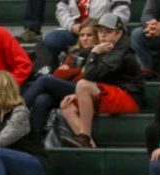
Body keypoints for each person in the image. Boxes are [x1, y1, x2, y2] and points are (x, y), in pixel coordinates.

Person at [60, 13, 144, 149]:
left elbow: (88, 76)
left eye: (108, 32)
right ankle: (89, 146)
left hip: (130, 98)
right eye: (100, 31)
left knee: (82, 85)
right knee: (67, 106)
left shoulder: (121, 51)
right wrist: (78, 96)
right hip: (112, 94)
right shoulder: (107, 47)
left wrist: (94, 52)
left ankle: (84, 137)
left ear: (118, 33)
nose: (103, 35)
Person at [24, 19, 100, 134]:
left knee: (45, 80)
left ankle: (15, 110)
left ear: (97, 36)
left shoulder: (98, 53)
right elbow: (58, 74)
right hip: (67, 88)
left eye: (89, 35)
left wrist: (70, 71)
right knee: (42, 100)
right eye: (82, 35)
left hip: (83, 91)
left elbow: (86, 76)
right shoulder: (74, 52)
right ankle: (36, 136)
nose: (84, 38)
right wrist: (77, 71)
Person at [42, 0, 132, 64]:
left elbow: (121, 14)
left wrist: (101, 27)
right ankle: (54, 69)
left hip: (102, 33)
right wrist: (71, 25)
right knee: (51, 39)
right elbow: (61, 10)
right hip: (77, 32)